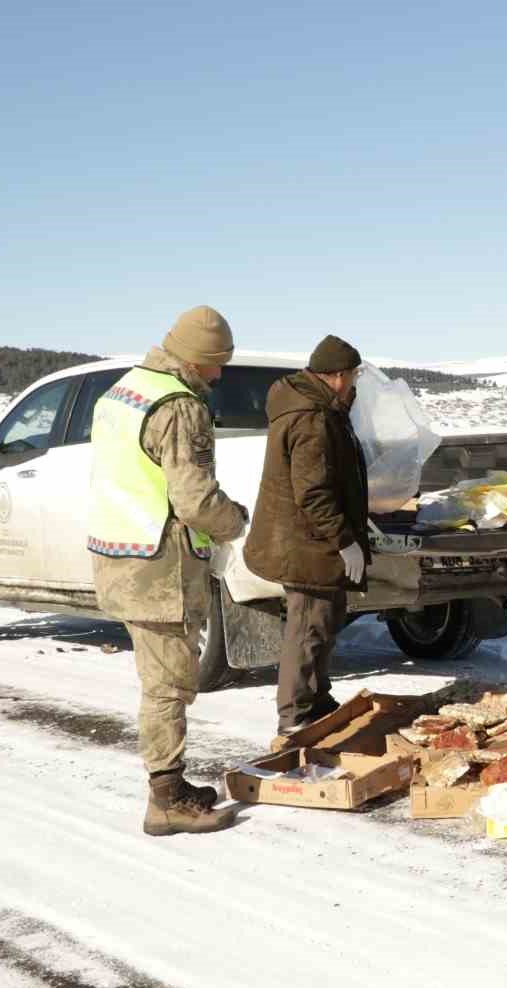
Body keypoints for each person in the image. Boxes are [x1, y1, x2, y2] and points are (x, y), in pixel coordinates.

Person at [88, 305, 249, 836]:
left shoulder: (124, 392)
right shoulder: (179, 407)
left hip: (119, 555)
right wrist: (236, 521)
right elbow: (195, 500)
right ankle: (166, 800)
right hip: (160, 566)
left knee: (158, 679)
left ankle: (172, 786)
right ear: (198, 359)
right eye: (217, 364)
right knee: (166, 686)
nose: (220, 375)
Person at [244, 335, 371, 736]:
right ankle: (295, 715)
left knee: (325, 619)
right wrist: (344, 540)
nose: (353, 384)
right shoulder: (311, 419)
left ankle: (316, 699)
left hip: (309, 540)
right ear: (335, 376)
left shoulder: (322, 408)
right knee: (308, 628)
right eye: (351, 377)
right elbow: (312, 492)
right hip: (303, 542)